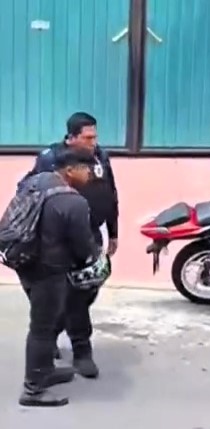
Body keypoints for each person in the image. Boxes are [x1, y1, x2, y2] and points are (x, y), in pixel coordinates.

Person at [18, 112, 119, 378]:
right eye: (88, 137)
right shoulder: (50, 158)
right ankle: (77, 350)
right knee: (64, 298)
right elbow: (28, 192)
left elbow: (111, 193)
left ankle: (55, 338)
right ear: (72, 137)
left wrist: (113, 232)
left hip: (89, 233)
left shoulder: (101, 157)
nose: (94, 142)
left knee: (85, 292)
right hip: (56, 242)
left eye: (95, 136)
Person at [16, 148, 100, 407]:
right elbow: (84, 248)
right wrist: (94, 255)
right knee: (43, 329)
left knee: (45, 322)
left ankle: (45, 372)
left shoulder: (36, 182)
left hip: (25, 262)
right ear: (70, 170)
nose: (91, 174)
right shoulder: (73, 201)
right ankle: (33, 390)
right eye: (86, 169)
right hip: (49, 271)